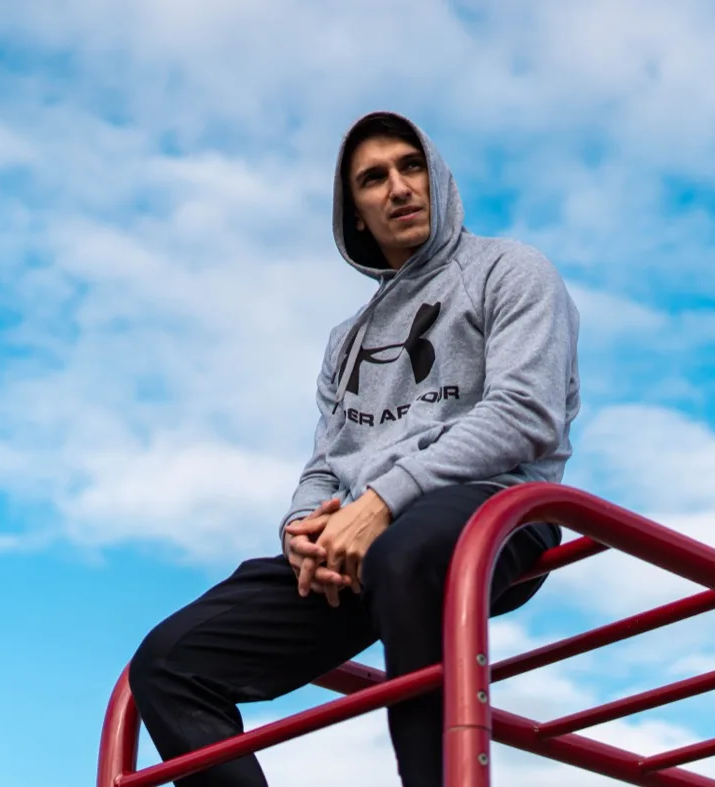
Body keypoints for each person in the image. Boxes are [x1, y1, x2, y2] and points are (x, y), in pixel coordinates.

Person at [127, 111, 582, 787]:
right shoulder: (348, 339)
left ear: (439, 176)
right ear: (356, 214)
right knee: (167, 661)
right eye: (374, 179)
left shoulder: (510, 270)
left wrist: (382, 501)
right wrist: (300, 532)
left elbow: (525, 413)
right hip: (363, 530)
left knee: (407, 552)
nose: (398, 187)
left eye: (411, 165)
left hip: (492, 506)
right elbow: (327, 458)